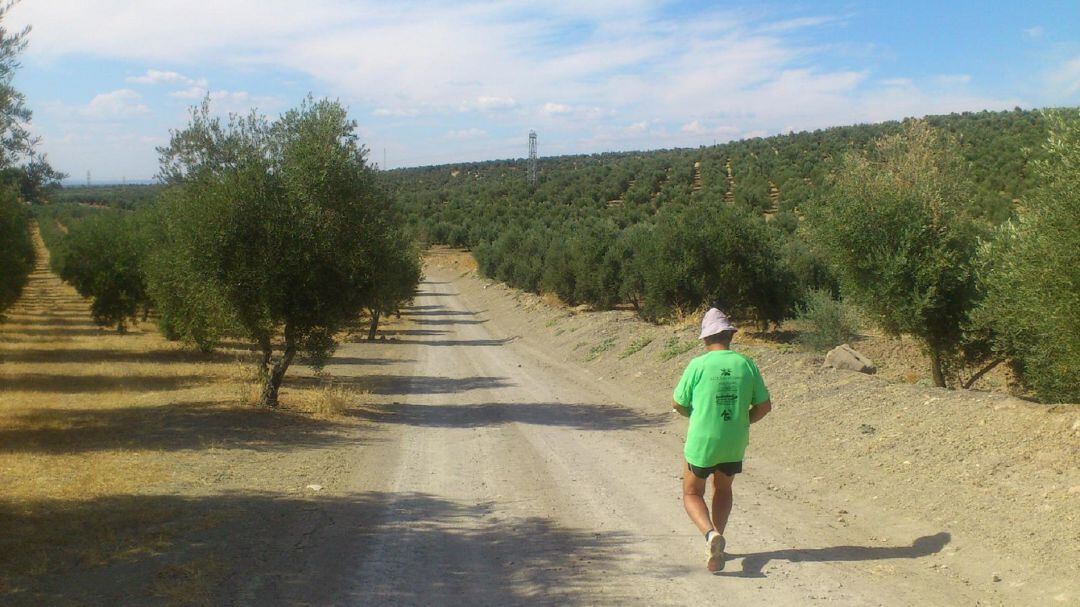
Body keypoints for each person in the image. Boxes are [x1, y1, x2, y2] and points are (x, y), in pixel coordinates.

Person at [672, 307, 772, 573]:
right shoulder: (746, 364)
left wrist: (695, 415)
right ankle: (717, 544)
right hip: (734, 440)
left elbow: (678, 403)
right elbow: (763, 406)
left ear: (705, 338)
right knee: (723, 489)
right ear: (729, 335)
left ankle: (709, 535)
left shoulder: (698, 365)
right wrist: (742, 422)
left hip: (702, 439)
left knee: (692, 492)